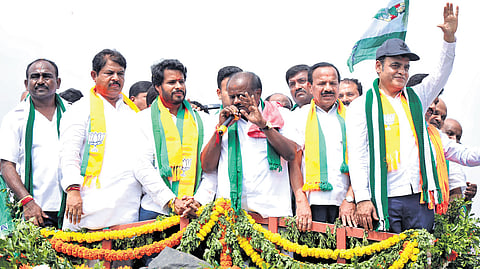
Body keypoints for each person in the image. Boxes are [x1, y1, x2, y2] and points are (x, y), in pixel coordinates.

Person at [347, 3, 459, 233]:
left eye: (406, 67)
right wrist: (362, 199)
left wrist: (449, 39)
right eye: (395, 65)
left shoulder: (417, 97)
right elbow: (358, 156)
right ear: (378, 67)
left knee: (420, 258)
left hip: (420, 197)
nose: (402, 72)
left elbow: (442, 73)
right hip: (385, 197)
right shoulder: (361, 107)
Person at [60, 49, 143, 231]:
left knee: (125, 258)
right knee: (84, 258)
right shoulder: (80, 110)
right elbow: (69, 155)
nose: (116, 78)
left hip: (127, 209)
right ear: (94, 75)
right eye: (109, 73)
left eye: (120, 74)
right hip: (89, 207)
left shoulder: (132, 113)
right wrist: (72, 190)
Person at [201, 71, 297, 217]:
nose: (236, 101)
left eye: (241, 96)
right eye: (232, 96)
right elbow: (207, 166)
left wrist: (263, 125)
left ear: (257, 94)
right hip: (230, 214)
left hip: (272, 212)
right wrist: (220, 130)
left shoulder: (281, 115)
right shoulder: (219, 120)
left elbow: (290, 154)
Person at [134, 59, 214, 221]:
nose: (178, 86)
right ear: (157, 87)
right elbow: (142, 166)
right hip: (156, 208)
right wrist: (171, 201)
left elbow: (211, 167)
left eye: (181, 81)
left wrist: (198, 201)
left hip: (195, 209)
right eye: (171, 82)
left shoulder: (204, 121)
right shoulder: (143, 120)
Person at [290, 62, 356, 232]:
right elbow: (294, 164)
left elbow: (361, 162)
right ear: (311, 87)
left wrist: (350, 198)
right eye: (321, 84)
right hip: (312, 206)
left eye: (332, 83)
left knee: (345, 257)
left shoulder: (353, 117)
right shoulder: (299, 116)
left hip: (346, 207)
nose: (328, 88)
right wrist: (301, 201)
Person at [0, 59, 66, 228]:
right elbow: (7, 165)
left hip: (70, 210)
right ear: (26, 83)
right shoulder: (15, 118)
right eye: (35, 76)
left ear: (58, 82)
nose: (41, 81)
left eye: (47, 76)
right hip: (35, 210)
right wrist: (27, 201)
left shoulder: (72, 114)